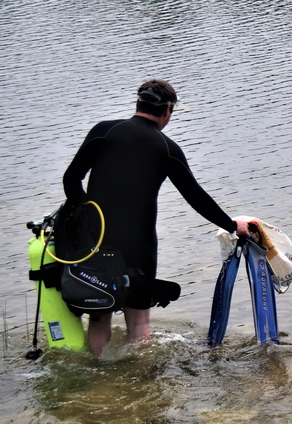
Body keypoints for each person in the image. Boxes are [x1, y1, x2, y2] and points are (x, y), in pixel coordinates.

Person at [63, 79, 249, 357]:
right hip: (140, 244)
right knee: (139, 321)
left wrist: (87, 213)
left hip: (97, 239)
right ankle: (139, 379)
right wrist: (233, 226)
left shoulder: (104, 131)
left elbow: (71, 179)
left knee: (100, 314)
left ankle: (97, 369)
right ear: (167, 112)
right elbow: (196, 197)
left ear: (138, 104)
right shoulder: (166, 148)